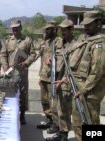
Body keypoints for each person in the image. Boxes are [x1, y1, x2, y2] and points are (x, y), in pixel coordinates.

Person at [65, 11, 105, 141]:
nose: (85, 27)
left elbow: (97, 71)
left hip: (90, 92)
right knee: (78, 123)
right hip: (79, 89)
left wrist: (83, 89)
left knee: (91, 124)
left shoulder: (99, 44)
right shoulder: (87, 41)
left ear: (99, 24)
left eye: (89, 24)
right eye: (84, 25)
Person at [0, 19, 36, 124]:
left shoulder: (27, 40)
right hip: (10, 72)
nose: (15, 30)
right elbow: (3, 54)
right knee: (10, 92)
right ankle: (10, 114)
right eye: (13, 28)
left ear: (20, 27)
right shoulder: (7, 41)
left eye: (17, 27)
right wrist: (5, 65)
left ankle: (22, 115)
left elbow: (33, 54)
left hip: (22, 72)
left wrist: (26, 63)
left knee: (23, 93)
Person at [46, 19, 75, 141]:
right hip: (57, 80)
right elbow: (58, 61)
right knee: (58, 108)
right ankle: (60, 131)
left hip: (66, 82)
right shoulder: (59, 44)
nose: (63, 32)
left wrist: (63, 80)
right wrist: (51, 61)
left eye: (65, 30)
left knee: (65, 110)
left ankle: (64, 135)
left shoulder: (75, 44)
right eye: (62, 30)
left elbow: (73, 67)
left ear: (71, 30)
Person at [36, 21, 62, 133]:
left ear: (55, 29)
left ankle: (56, 124)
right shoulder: (45, 41)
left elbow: (62, 55)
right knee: (44, 100)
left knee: (54, 103)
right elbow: (38, 52)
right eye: (46, 29)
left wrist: (53, 59)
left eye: (50, 29)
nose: (47, 31)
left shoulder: (58, 41)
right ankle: (49, 120)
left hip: (53, 77)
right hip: (43, 76)